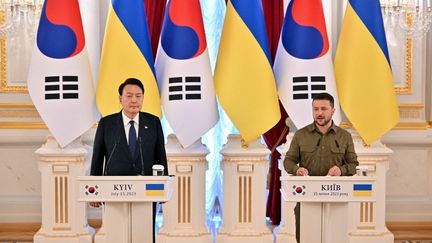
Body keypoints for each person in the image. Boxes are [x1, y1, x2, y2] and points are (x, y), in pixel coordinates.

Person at [90, 77, 168, 243]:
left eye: (139, 96)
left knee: (144, 234)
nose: (134, 100)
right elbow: (97, 158)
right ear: (120, 99)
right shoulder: (107, 124)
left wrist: (163, 186)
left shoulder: (153, 122)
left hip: (146, 191)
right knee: (117, 235)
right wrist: (94, 191)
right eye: (129, 95)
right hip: (114, 190)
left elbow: (160, 156)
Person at [283, 92, 358, 243]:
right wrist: (297, 170)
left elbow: (353, 165)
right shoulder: (301, 135)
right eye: (315, 109)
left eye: (324, 109)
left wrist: (341, 170)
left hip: (336, 199)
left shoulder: (344, 136)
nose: (319, 113)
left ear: (333, 111)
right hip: (307, 199)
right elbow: (288, 161)